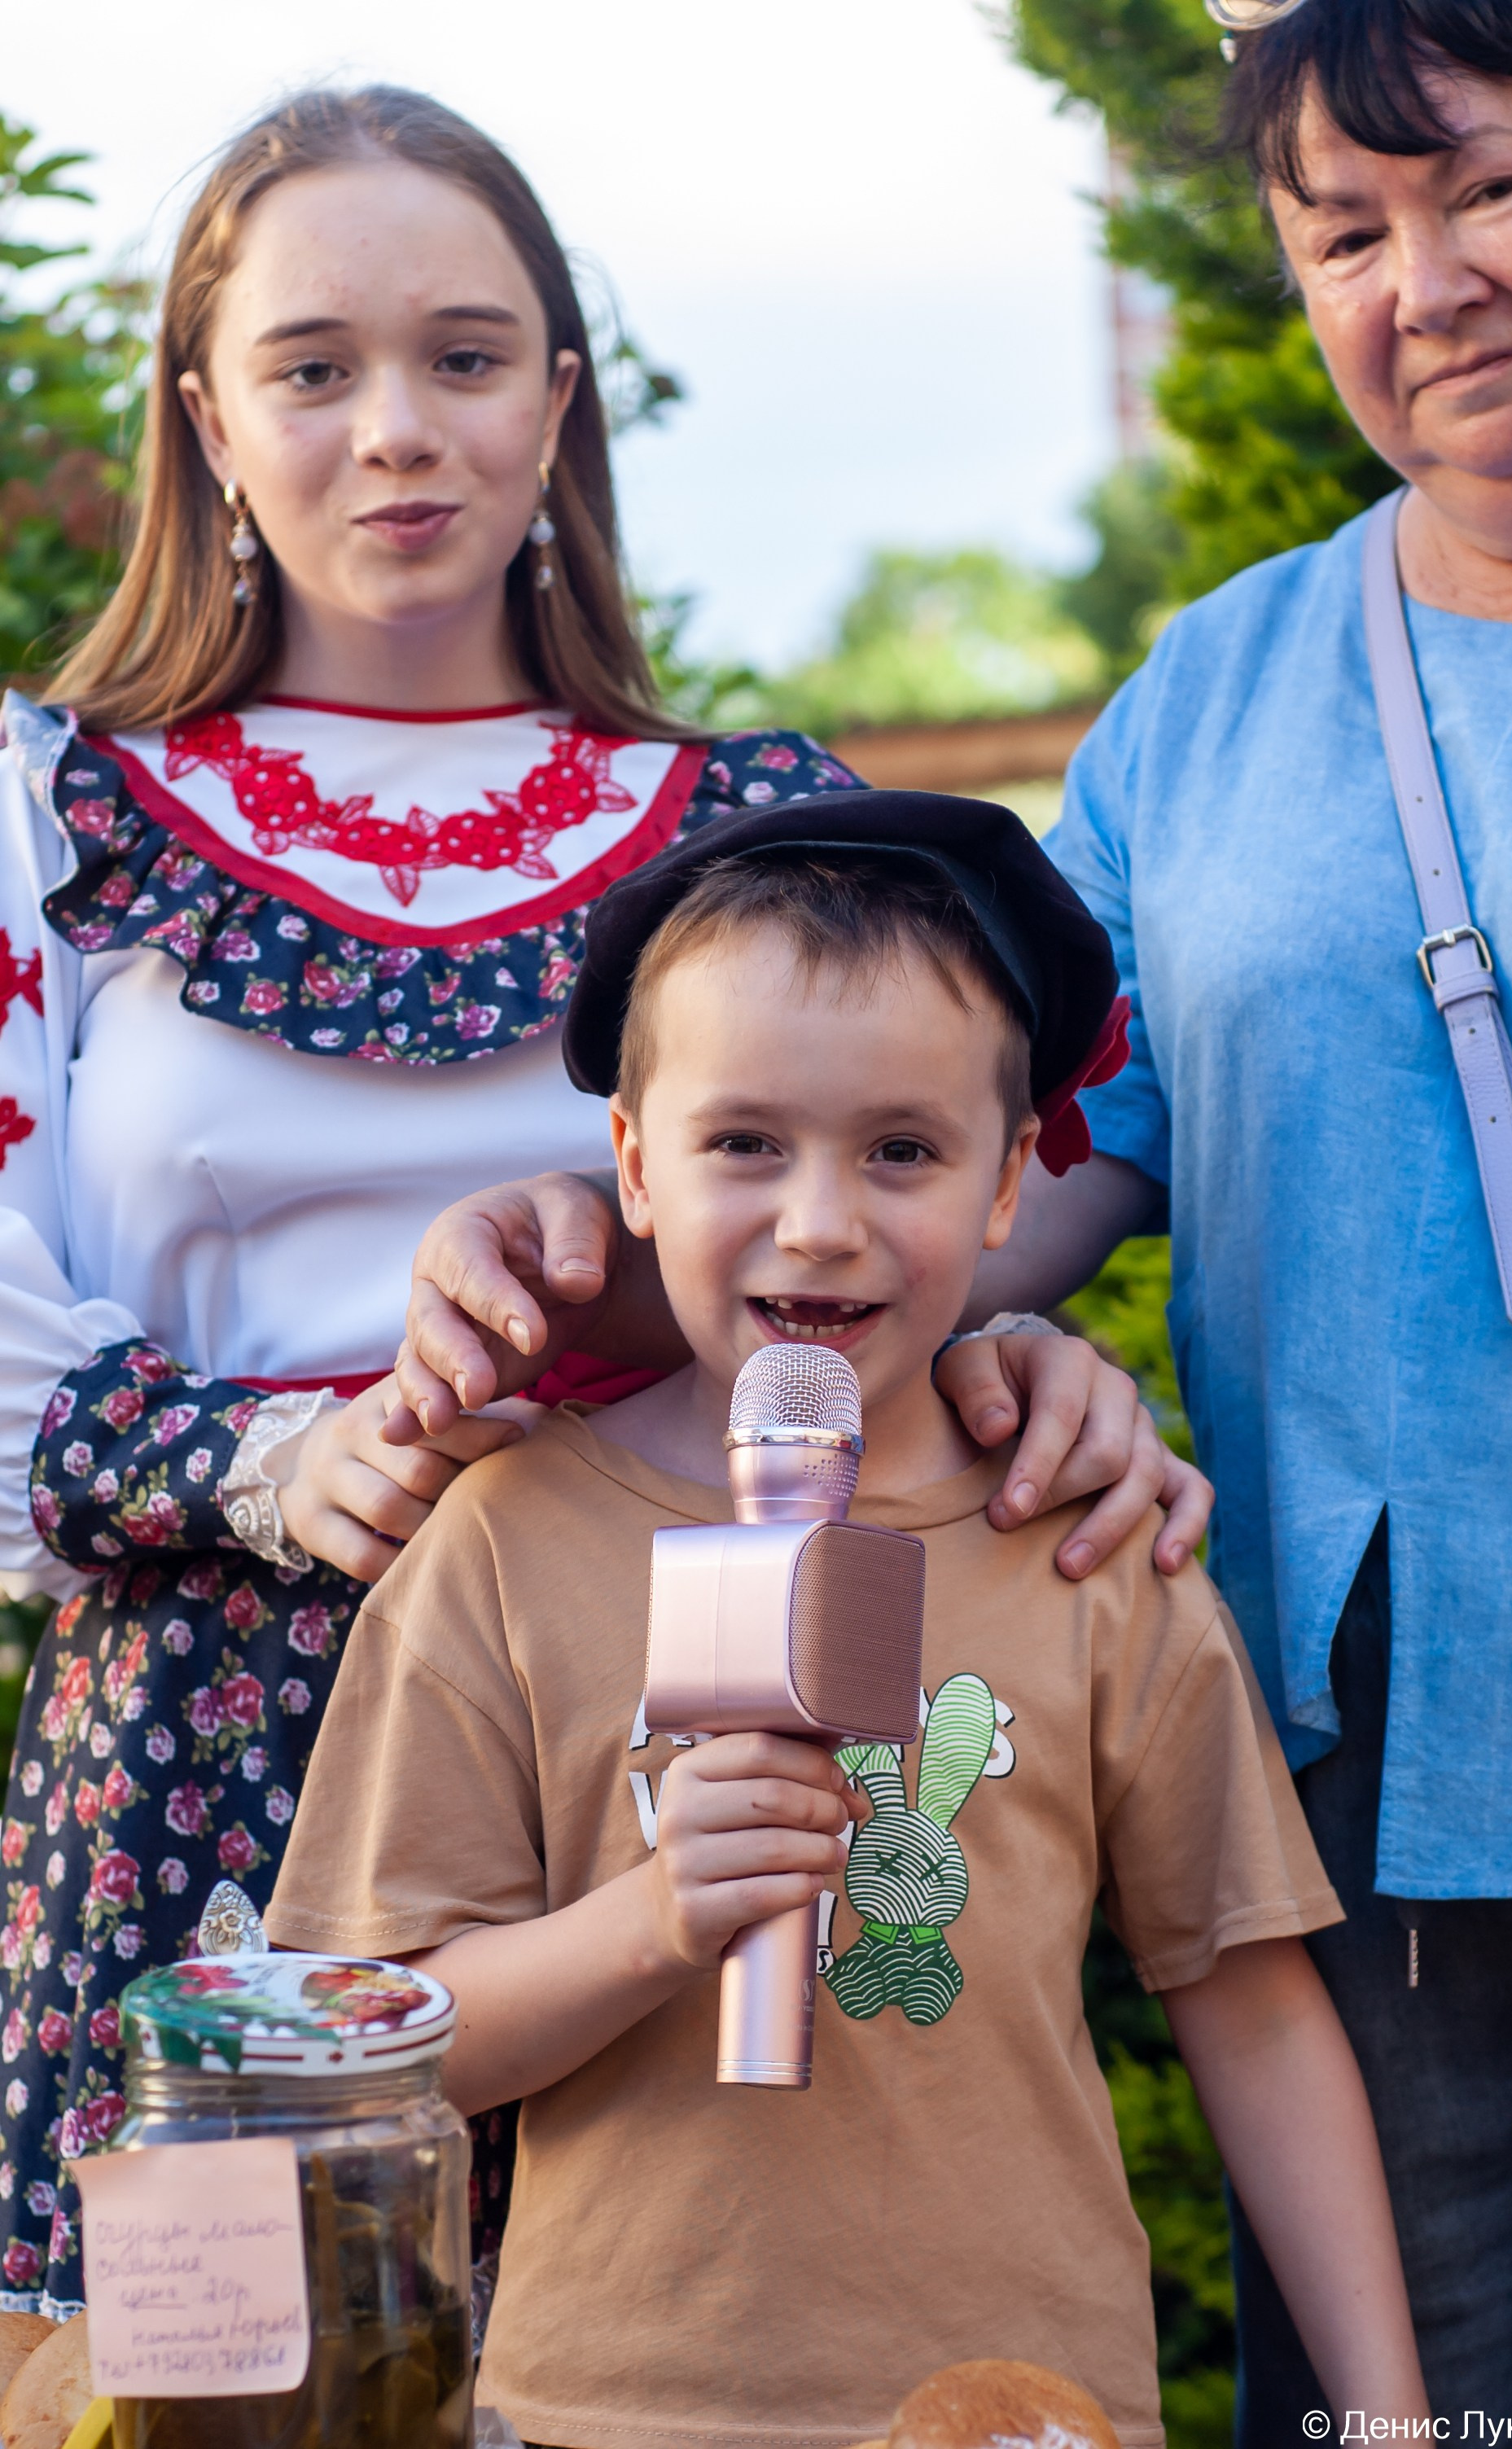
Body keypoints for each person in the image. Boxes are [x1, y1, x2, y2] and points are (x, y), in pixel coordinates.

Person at [395, 0, 1512, 2427]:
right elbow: (981, 1154)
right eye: (1343, 236)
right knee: (1443, 2405)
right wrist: (596, 1263)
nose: (1423, 285)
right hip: (1372, 1758)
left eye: (1490, 190)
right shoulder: (1231, 687)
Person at [0, 82, 1211, 2321]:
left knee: (695, 2342)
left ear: (561, 398)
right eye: (312, 367)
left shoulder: (764, 824)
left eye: (467, 357)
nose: (398, 430)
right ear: (202, 412)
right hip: (205, 1752)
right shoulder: (46, 818)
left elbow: (970, 1189)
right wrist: (301, 1461)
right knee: (247, 2383)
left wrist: (1009, 1361)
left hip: (698, 1717)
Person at [269, 794, 1428, 2449]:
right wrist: (658, 1918)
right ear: (634, 1166)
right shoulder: (507, 1543)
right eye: (746, 1142)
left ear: (1013, 1177)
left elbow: (1244, 1999)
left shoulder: (1088, 1546)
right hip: (610, 2410)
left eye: (901, 1149)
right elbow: (374, 2046)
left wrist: (1384, 2418)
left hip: (1022, 2407)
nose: (821, 1218)